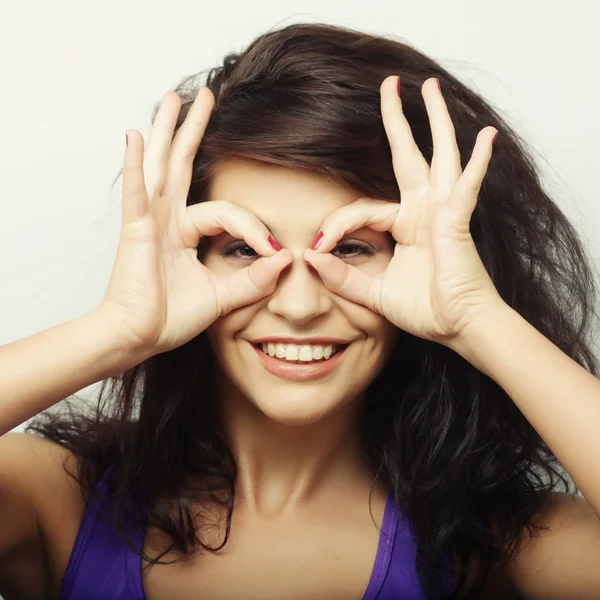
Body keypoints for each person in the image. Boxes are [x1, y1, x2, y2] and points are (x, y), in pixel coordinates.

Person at [1, 21, 599, 600]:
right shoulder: (58, 499)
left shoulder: (497, 543)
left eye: (352, 248)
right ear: (184, 257)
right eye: (242, 249)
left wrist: (475, 317)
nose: (298, 305)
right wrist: (118, 330)